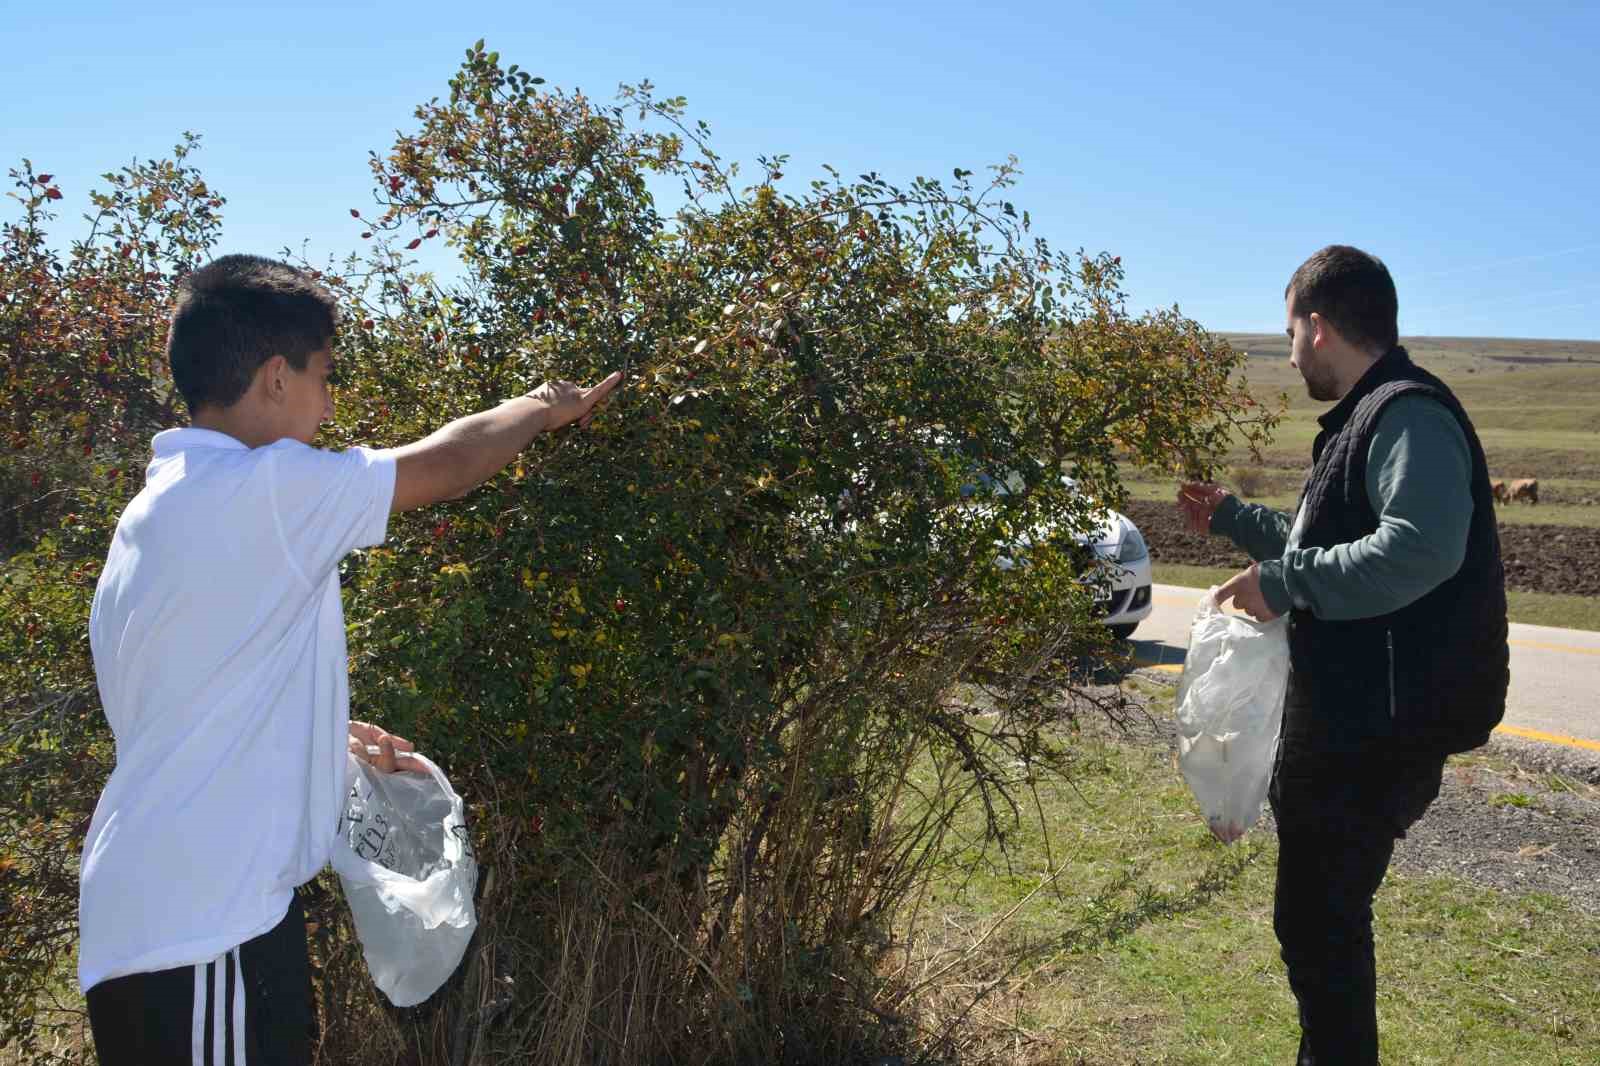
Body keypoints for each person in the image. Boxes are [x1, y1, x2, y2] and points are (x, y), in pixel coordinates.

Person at [80, 253, 622, 1065]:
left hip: (183, 919)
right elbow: (446, 464)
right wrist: (544, 406)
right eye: (323, 378)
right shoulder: (264, 489)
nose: (330, 405)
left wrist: (320, 742)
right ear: (274, 377)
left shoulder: (160, 509)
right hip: (200, 930)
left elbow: (192, 704)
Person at [1177, 245, 1508, 1065]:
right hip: (1355, 717)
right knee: (1319, 926)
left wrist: (1285, 584)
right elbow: (1325, 540)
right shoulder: (1369, 420)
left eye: (1290, 333)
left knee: (1322, 929)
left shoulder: (1408, 415)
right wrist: (1236, 520)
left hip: (1378, 728)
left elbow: (1416, 550)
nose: (1290, 355)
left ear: (1318, 328)